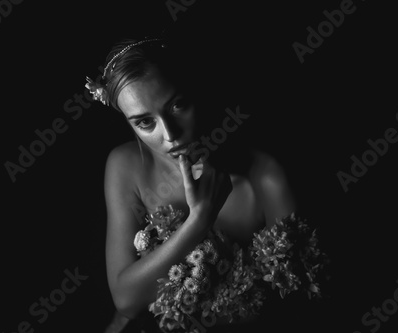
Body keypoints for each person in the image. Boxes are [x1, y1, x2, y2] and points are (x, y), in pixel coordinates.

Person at [86, 37, 296, 332]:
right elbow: (126, 300)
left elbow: (294, 306)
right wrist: (199, 220)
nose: (170, 135)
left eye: (177, 105)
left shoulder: (264, 177)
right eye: (145, 123)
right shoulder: (125, 166)